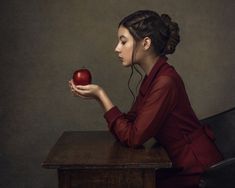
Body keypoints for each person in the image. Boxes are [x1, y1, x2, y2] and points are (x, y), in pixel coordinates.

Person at [69, 10, 223, 188]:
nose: (117, 48)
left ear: (146, 43)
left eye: (123, 41)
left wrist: (101, 95)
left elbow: (133, 138)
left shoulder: (165, 82)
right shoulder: (153, 78)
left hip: (198, 171)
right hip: (177, 165)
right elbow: (129, 127)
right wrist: (97, 97)